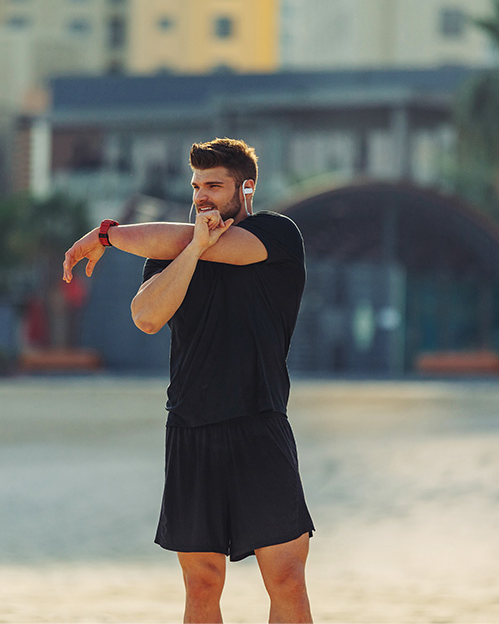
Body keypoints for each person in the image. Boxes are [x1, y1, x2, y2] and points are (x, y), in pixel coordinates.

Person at [63, 138, 314, 623]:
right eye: (196, 185)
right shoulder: (173, 252)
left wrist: (106, 235)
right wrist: (194, 248)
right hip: (191, 430)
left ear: (246, 187)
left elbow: (225, 247)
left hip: (258, 425)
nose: (201, 195)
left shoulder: (277, 235)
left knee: (286, 577)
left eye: (214, 186)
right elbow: (146, 317)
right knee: (201, 584)